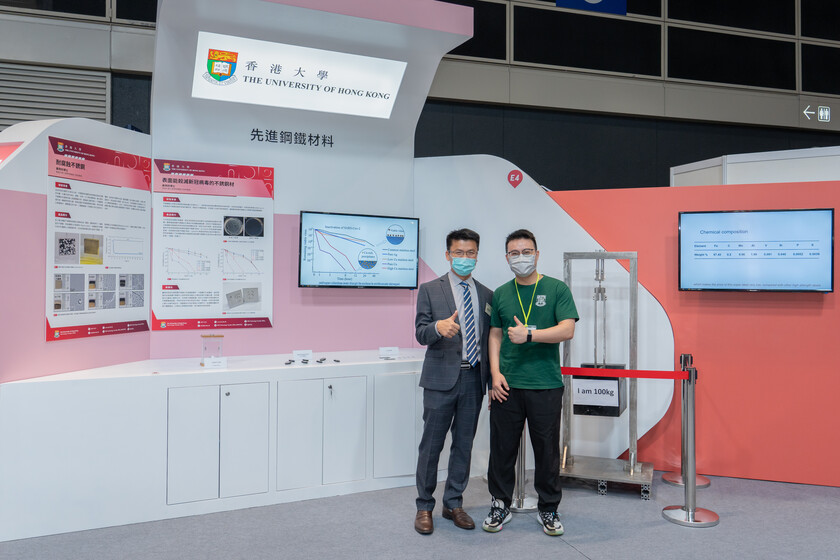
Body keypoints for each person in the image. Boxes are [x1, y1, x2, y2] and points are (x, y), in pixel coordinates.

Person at [483, 229, 579, 536]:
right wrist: (495, 374)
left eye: (526, 252)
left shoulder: (556, 288)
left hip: (545, 384)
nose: (521, 258)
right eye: (514, 253)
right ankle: (500, 504)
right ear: (507, 258)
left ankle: (548, 508)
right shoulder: (501, 293)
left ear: (536, 254)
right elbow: (495, 335)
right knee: (501, 449)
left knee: (547, 451)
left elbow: (567, 330)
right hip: (507, 385)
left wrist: (530, 335)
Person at [414, 228, 493, 535]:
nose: (464, 258)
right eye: (458, 253)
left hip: (474, 379)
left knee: (463, 445)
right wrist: (438, 328)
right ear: (448, 255)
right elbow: (421, 333)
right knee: (431, 446)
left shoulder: (486, 294)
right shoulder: (430, 289)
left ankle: (453, 504)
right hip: (440, 379)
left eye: (470, 253)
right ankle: (424, 506)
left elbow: (489, 340)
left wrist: (491, 382)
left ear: (477, 256)